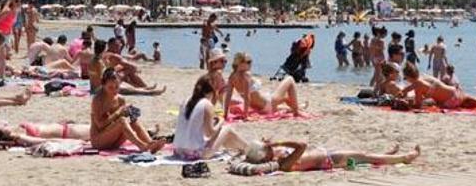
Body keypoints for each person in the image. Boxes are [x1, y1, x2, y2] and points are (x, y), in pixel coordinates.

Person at [89, 68, 167, 153]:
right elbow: (100, 125)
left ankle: (150, 143)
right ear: (103, 85)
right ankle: (142, 146)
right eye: (110, 87)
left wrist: (130, 113)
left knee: (133, 121)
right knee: (122, 121)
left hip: (114, 140)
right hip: (99, 141)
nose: (114, 90)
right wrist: (118, 112)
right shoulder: (98, 100)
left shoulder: (120, 99)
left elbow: (126, 120)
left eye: (117, 87)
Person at [173, 75, 248, 160]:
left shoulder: (186, 100)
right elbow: (210, 133)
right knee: (227, 129)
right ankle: (248, 149)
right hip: (195, 153)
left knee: (226, 134)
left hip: (178, 151)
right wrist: (221, 121)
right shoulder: (206, 104)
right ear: (213, 91)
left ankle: (243, 148)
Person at [242, 140, 420, 172]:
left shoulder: (279, 159)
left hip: (328, 155)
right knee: (364, 155)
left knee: (363, 155)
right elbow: (301, 145)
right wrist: (277, 143)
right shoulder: (284, 164)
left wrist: (274, 146)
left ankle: (385, 155)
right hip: (330, 159)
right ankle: (406, 157)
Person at [225, 52, 302, 120]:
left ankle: (298, 107)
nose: (251, 64)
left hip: (261, 108)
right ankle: (296, 111)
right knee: (290, 79)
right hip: (268, 103)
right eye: (248, 62)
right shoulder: (246, 75)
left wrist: (225, 114)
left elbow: (228, 96)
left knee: (285, 99)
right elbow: (247, 97)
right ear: (240, 63)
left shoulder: (232, 77)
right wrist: (246, 116)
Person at [401, 61, 476, 110]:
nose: (406, 80)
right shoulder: (424, 77)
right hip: (455, 92)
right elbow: (415, 86)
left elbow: (418, 105)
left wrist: (408, 103)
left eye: (405, 78)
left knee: (463, 103)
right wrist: (405, 91)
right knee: (466, 100)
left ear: (408, 77)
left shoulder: (418, 86)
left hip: (449, 102)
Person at [0, 0, 22, 78]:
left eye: (19, 1)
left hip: (7, 35)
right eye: (16, 1)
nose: (18, 3)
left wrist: (13, 34)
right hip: (0, 34)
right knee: (3, 56)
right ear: (11, 1)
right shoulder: (7, 11)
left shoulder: (16, 11)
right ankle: (1, 76)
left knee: (0, 56)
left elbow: (11, 24)